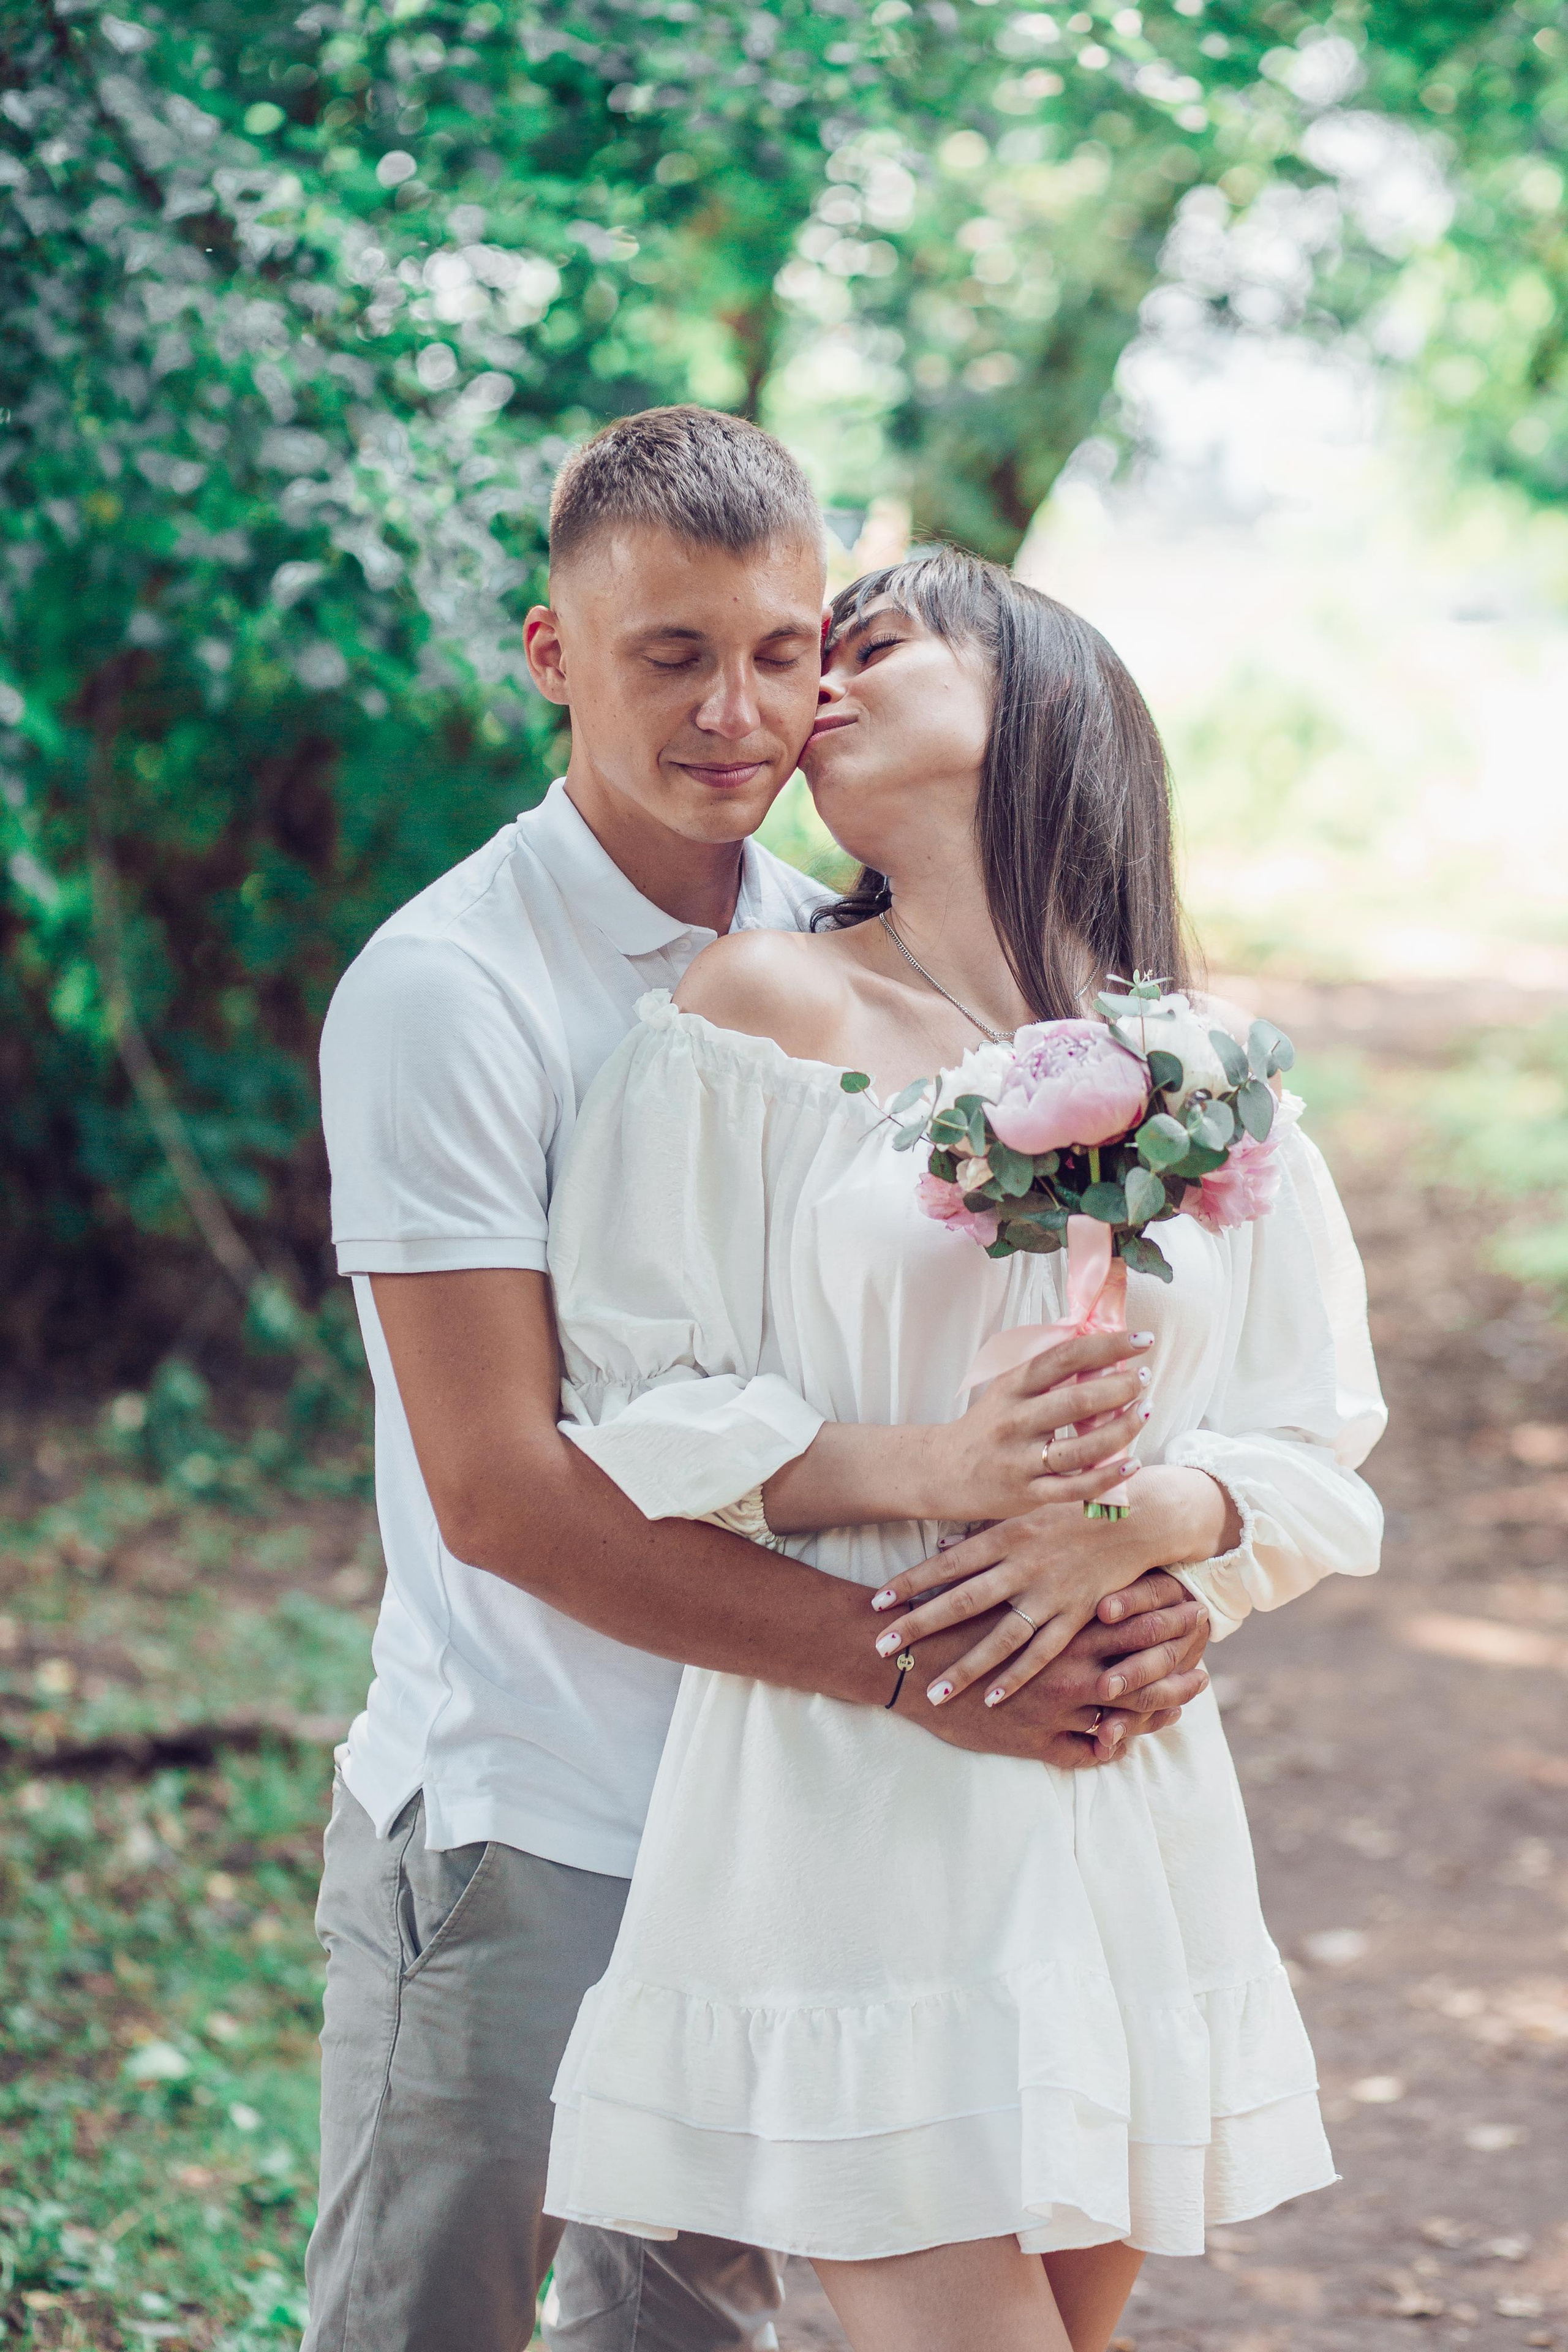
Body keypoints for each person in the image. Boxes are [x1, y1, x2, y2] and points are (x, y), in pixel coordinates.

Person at [308, 409, 1213, 2352]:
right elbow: (504, 1490)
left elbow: (989, 1387)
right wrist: (931, 1671)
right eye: (670, 656)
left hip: (800, 1843)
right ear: (554, 655)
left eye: (785, 651)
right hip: (531, 1818)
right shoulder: (446, 992)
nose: (738, 713)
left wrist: (1142, 1602)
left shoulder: (855, 954)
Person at [540, 545, 1387, 2352]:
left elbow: (1317, 1438)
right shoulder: (753, 1014)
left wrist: (1160, 1529)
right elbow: (628, 1414)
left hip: (1107, 1777)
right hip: (854, 1771)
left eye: (877, 644)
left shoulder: (1210, 1066)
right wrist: (938, 1471)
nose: (811, 683)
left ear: (1035, 697)